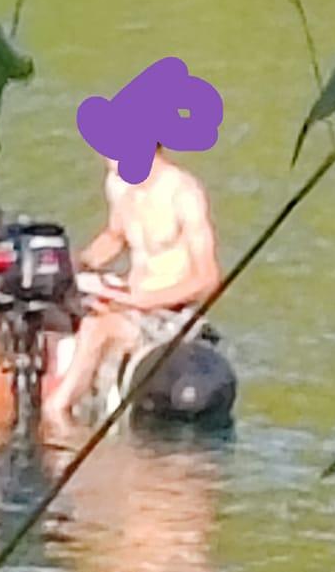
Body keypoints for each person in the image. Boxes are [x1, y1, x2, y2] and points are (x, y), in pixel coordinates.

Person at [41, 145, 222, 428]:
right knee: (43, 299)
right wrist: (71, 266)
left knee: (96, 327)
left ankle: (57, 413)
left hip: (169, 313)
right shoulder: (118, 183)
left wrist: (143, 301)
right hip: (129, 300)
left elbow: (208, 279)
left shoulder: (183, 194)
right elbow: (114, 237)